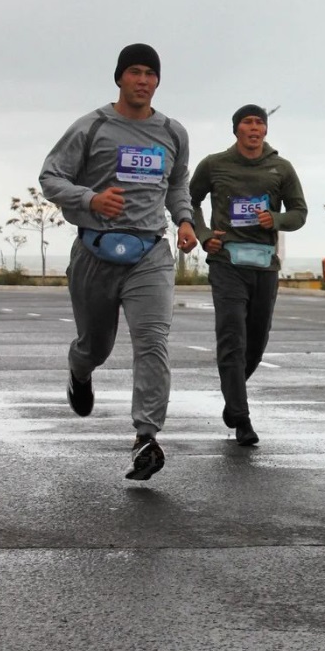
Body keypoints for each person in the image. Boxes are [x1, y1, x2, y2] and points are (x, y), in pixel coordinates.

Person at [39, 43, 197, 481]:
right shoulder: (91, 127)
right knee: (97, 346)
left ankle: (146, 436)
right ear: (119, 78)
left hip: (150, 253)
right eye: (134, 72)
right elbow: (51, 176)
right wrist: (90, 198)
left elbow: (177, 181)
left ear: (158, 81)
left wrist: (184, 220)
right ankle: (80, 368)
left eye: (150, 73)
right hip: (95, 251)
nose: (143, 80)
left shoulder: (173, 133)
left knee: (152, 342)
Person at [189, 104, 307, 445]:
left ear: (265, 130)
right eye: (247, 122)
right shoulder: (214, 165)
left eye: (260, 123)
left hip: (265, 265)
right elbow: (188, 201)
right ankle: (241, 418)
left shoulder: (280, 168)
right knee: (232, 338)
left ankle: (232, 396)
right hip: (227, 263)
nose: (254, 128)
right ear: (236, 129)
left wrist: (277, 219)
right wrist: (204, 234)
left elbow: (299, 211)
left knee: (255, 343)